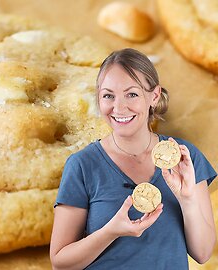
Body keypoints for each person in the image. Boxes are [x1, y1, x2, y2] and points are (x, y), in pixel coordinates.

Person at [49, 48, 217, 269]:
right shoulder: (82, 165)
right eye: (108, 95)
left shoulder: (185, 158)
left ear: (154, 96)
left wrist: (187, 200)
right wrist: (111, 231)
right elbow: (60, 262)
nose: (119, 107)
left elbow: (203, 253)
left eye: (132, 94)